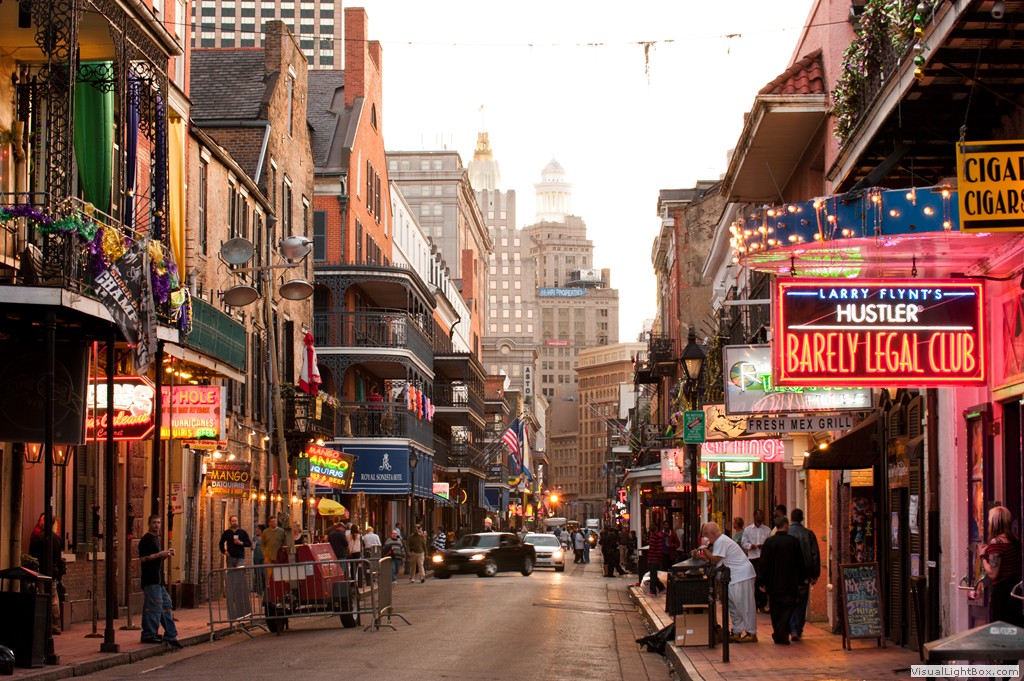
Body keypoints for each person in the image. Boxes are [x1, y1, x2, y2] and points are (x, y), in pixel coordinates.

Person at [693, 522, 757, 643]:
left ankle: (751, 632)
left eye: (705, 535)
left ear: (711, 534)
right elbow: (715, 559)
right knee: (733, 605)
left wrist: (703, 548)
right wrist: (700, 555)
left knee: (744, 604)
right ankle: (737, 631)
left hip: (741, 576)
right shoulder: (719, 542)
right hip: (733, 577)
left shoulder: (721, 541)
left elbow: (714, 559)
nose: (705, 538)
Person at [758, 516, 806, 645]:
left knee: (776, 610)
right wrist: (802, 581)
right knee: (788, 607)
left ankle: (780, 634)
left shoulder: (769, 542)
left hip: (773, 583)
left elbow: (764, 563)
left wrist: (761, 581)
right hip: (790, 582)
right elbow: (800, 563)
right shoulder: (793, 542)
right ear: (786, 526)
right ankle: (781, 633)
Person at [138, 515, 182, 648]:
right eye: (154, 523)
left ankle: (171, 634)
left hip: (159, 581)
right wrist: (159, 555)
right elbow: (144, 559)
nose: (156, 525)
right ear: (148, 524)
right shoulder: (146, 540)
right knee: (154, 607)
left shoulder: (156, 540)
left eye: (158, 522)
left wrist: (166, 554)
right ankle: (149, 634)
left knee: (166, 605)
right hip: (151, 580)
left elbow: (156, 558)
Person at [980, 505, 1024, 626]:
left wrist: (982, 557)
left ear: (995, 523)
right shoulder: (1016, 539)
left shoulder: (997, 542)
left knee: (1000, 629)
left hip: (1002, 594)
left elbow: (994, 574)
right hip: (1016, 592)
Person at [787, 508, 821, 640]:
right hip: (805, 574)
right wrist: (815, 574)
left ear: (791, 518)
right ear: (802, 519)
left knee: (790, 601)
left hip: (789, 574)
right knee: (801, 602)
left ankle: (792, 627)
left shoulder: (786, 533)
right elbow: (814, 555)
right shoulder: (808, 534)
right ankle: (797, 628)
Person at [29, 517, 65, 634]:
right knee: (54, 599)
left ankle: (42, 624)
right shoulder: (57, 539)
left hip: (41, 572)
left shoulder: (38, 538)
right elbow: (59, 557)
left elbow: (32, 555)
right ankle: (55, 625)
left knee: (41, 597)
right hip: (53, 572)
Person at [742, 510, 771, 613]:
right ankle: (753, 604)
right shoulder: (748, 530)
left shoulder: (767, 530)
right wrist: (751, 546)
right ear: (754, 516)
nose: (761, 517)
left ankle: (762, 604)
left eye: (762, 515)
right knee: (753, 581)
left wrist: (764, 547)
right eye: (759, 515)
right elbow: (744, 542)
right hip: (753, 558)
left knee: (762, 581)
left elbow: (769, 543)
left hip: (763, 559)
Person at [646, 523, 666, 595]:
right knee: (653, 574)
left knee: (653, 574)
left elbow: (652, 549)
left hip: (653, 558)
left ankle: (653, 590)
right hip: (657, 558)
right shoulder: (659, 537)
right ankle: (661, 588)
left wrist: (649, 558)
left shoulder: (653, 537)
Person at [252, 524, 266, 594]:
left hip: (264, 557)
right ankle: (259, 592)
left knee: (264, 574)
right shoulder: (254, 538)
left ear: (261, 530)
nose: (256, 530)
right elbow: (252, 548)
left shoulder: (265, 537)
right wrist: (252, 545)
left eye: (258, 529)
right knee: (258, 574)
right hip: (256, 558)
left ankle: (266, 590)